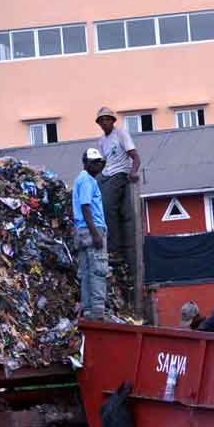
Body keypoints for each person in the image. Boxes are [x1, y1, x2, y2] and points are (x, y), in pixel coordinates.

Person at [94, 108, 141, 268]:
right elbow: (103, 163)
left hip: (120, 173)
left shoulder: (121, 134)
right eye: (101, 120)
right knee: (95, 201)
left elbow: (135, 156)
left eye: (107, 119)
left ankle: (115, 250)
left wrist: (133, 172)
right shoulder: (102, 141)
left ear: (113, 121)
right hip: (106, 174)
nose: (104, 122)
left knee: (108, 208)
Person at [73, 148, 109, 321]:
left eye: (99, 162)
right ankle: (98, 312)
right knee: (98, 270)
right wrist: (96, 234)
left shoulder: (81, 180)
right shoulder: (87, 180)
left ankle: (88, 310)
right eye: (94, 162)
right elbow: (85, 206)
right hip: (92, 229)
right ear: (86, 163)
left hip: (81, 231)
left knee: (86, 271)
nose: (98, 165)